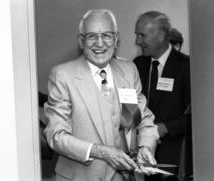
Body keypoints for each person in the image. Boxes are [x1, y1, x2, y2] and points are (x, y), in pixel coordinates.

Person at [43, 9, 160, 181]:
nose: (100, 43)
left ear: (116, 39)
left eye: (106, 35)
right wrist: (100, 152)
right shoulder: (63, 75)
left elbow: (143, 119)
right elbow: (56, 135)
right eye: (91, 36)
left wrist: (146, 147)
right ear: (81, 41)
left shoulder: (129, 71)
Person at [133, 11, 192, 180]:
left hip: (173, 161)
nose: (137, 41)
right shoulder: (137, 65)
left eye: (141, 35)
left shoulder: (187, 66)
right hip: (141, 156)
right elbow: (131, 106)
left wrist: (164, 128)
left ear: (159, 35)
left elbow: (198, 119)